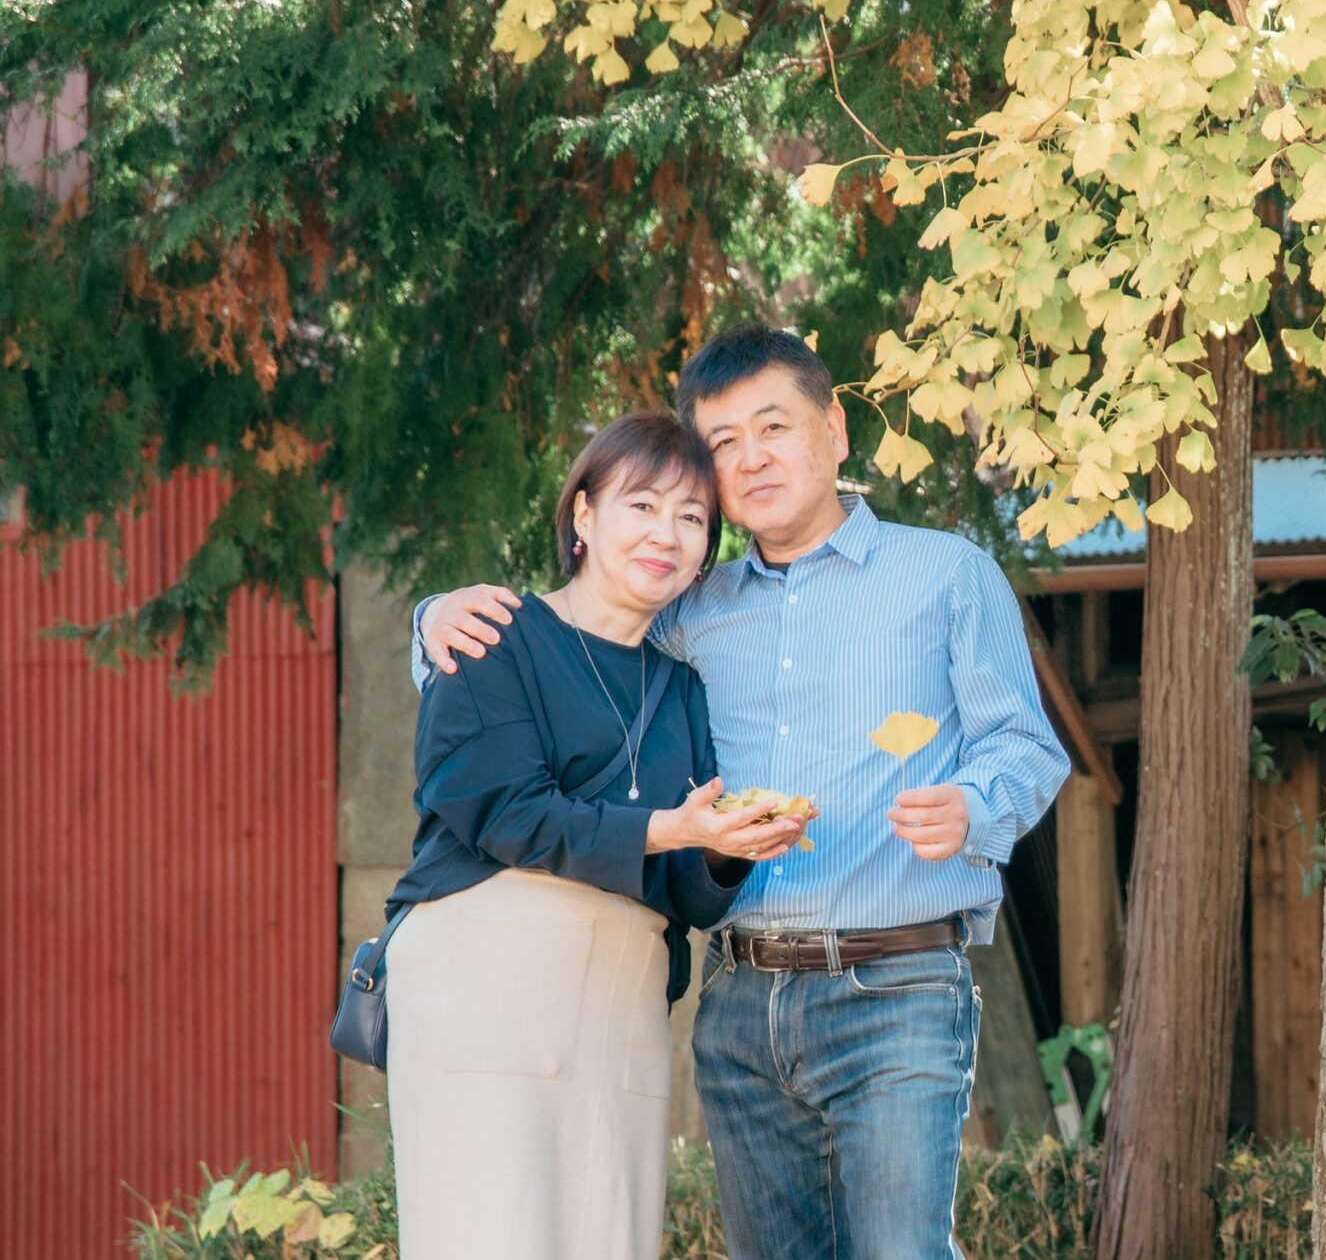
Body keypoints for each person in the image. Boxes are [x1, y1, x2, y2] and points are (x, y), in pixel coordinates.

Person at [414, 324, 1071, 1260]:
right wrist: (432, 619)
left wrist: (974, 803)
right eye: (723, 443)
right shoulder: (690, 603)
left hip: (898, 981)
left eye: (774, 426)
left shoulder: (946, 575)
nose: (752, 458)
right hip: (740, 993)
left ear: (836, 430)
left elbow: (1024, 745)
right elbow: (577, 638)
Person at [385, 410, 809, 1260]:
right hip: (486, 977)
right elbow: (503, 809)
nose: (668, 534)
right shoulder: (495, 633)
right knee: (490, 1231)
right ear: (582, 514)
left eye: (692, 518)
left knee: (610, 1237)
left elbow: (685, 889)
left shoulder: (684, 687)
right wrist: (665, 826)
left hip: (624, 996)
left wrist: (726, 844)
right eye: (642, 505)